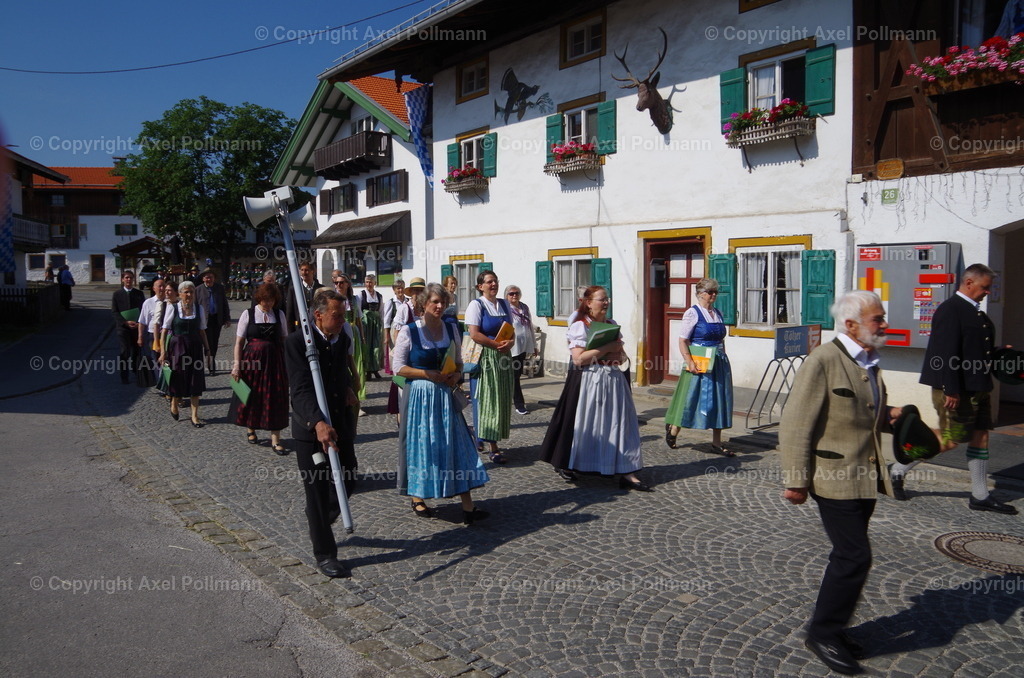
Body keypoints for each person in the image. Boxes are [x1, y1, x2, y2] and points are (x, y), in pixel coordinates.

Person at [780, 291, 901, 676]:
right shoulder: (824, 360)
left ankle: (833, 628)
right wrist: (796, 481)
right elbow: (797, 423)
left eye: (882, 318)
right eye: (877, 319)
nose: (883, 325)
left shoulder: (869, 361)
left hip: (864, 475)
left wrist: (894, 415)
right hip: (832, 476)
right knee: (854, 556)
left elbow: (865, 412)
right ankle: (823, 633)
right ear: (850, 324)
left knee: (848, 555)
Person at [891, 263, 1017, 514]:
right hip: (956, 389)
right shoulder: (951, 310)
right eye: (984, 287)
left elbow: (976, 348)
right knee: (950, 439)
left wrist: (1001, 354)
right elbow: (945, 351)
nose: (987, 292)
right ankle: (897, 469)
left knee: (981, 436)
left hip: (978, 386)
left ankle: (980, 496)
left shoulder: (977, 314)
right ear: (969, 283)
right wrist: (950, 388)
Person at [393, 283, 490, 524]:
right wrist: (426, 374)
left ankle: (468, 506)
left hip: (445, 396)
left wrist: (456, 376)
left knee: (456, 444)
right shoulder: (410, 331)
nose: (439, 306)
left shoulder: (451, 328)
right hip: (420, 397)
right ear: (423, 304)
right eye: (435, 302)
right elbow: (398, 368)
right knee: (422, 445)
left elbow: (458, 363)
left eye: (443, 302)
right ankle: (417, 496)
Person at [539, 286, 650, 490]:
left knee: (619, 424)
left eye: (607, 299)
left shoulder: (611, 324)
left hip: (613, 380)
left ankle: (627, 471)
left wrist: (618, 355)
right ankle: (576, 463)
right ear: (588, 303)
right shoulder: (580, 326)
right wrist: (607, 349)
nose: (606, 303)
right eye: (601, 299)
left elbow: (622, 355)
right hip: (590, 381)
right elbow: (579, 359)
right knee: (588, 423)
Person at [284, 289, 358, 579]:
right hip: (310, 429)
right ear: (318, 315)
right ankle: (325, 554)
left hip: (339, 424)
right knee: (316, 490)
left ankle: (320, 520)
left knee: (350, 476)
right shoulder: (296, 342)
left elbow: (340, 373)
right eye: (337, 316)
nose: (342, 321)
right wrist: (317, 423)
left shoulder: (343, 339)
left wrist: (349, 388)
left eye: (344, 316)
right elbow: (300, 389)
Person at [664, 278, 735, 456]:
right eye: (710, 292)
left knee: (720, 400)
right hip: (699, 359)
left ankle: (717, 443)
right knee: (690, 398)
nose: (714, 295)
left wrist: (723, 358)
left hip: (718, 361)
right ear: (700, 294)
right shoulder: (692, 313)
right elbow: (683, 340)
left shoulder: (717, 313)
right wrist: (689, 361)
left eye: (715, 292)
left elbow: (721, 339)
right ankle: (674, 429)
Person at [230, 282, 289, 455]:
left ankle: (275, 439)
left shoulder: (279, 315)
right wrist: (236, 365)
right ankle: (251, 427)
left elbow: (285, 339)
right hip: (252, 362)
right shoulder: (247, 314)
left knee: (275, 397)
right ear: (259, 298)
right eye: (265, 300)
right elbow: (239, 342)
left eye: (271, 300)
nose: (268, 303)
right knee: (252, 395)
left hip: (274, 362)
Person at [466, 270, 516, 463]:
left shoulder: (504, 304)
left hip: (503, 357)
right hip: (485, 356)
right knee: (488, 399)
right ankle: (492, 446)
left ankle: (481, 435)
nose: (493, 285)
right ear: (480, 286)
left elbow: (511, 330)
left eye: (495, 281)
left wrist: (510, 343)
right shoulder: (476, 305)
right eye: (489, 282)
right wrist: (496, 345)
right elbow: (474, 333)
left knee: (502, 399)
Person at [159, 281, 210, 427]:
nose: (189, 295)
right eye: (186, 292)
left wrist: (207, 350)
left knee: (196, 380)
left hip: (194, 347)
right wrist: (163, 352)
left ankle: (194, 416)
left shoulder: (198, 308)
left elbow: (202, 331)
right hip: (177, 347)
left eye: (191, 292)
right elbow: (164, 331)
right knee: (178, 378)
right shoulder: (173, 308)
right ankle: (174, 403)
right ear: (180, 294)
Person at [388, 278, 424, 422]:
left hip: (420, 357)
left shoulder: (424, 309)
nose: (418, 294)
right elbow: (397, 331)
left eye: (421, 290)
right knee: (403, 394)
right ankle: (403, 427)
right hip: (406, 356)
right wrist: (400, 353)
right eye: (415, 291)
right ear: (411, 292)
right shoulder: (404, 308)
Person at [504, 284, 537, 415]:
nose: (514, 295)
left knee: (515, 375)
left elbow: (530, 328)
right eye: (511, 293)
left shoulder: (524, 307)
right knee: (514, 376)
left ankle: (510, 399)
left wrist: (534, 345)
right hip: (511, 347)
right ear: (506, 295)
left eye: (516, 293)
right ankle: (519, 404)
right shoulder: (506, 309)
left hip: (523, 346)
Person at [332, 271, 365, 401]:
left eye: (341, 282)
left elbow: (358, 320)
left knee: (357, 365)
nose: (338, 285)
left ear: (347, 284)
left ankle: (358, 395)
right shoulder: (333, 299)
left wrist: (362, 337)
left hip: (354, 334)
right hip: (339, 333)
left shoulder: (354, 299)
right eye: (336, 283)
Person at [195, 268, 231, 376]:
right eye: (207, 277)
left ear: (214, 278)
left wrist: (227, 318)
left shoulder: (219, 288)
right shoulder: (198, 290)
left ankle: (211, 362)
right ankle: (211, 366)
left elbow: (224, 304)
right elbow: (195, 306)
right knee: (207, 344)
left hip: (216, 319)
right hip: (204, 321)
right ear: (203, 278)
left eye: (211, 277)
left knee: (214, 343)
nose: (209, 279)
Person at [112, 270, 144, 385]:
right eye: (126, 278)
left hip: (136, 327)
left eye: (130, 278)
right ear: (122, 279)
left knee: (136, 351)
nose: (128, 280)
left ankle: (136, 372)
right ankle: (124, 376)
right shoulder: (117, 294)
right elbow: (115, 312)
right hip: (123, 328)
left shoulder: (139, 294)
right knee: (125, 352)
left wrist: (139, 322)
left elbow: (143, 310)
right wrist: (125, 322)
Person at [136, 278, 167, 389]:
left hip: (167, 336)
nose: (162, 288)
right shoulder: (148, 303)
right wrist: (140, 337)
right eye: (159, 286)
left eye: (163, 286)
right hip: (152, 337)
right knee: (156, 360)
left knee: (167, 360)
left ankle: (167, 382)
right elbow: (142, 322)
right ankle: (160, 384)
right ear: (154, 288)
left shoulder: (170, 302)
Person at [286, 262, 325, 333]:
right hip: (299, 328)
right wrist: (290, 333)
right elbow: (290, 313)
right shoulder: (294, 289)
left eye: (307, 270)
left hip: (318, 329)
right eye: (302, 270)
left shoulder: (321, 289)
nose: (304, 273)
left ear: (313, 271)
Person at [360, 273, 384, 381]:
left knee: (376, 345)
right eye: (367, 282)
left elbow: (381, 310)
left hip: (376, 323)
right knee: (367, 345)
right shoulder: (361, 295)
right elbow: (359, 311)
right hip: (366, 323)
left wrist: (381, 323)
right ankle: (367, 370)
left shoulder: (379, 295)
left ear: (375, 283)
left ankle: (375, 368)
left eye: (371, 282)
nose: (369, 284)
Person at [381, 279, 406, 375]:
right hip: (394, 330)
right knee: (395, 352)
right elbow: (386, 321)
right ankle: (396, 372)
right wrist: (386, 335)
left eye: (402, 288)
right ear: (394, 290)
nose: (400, 290)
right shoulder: (391, 302)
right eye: (398, 288)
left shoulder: (407, 301)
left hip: (405, 329)